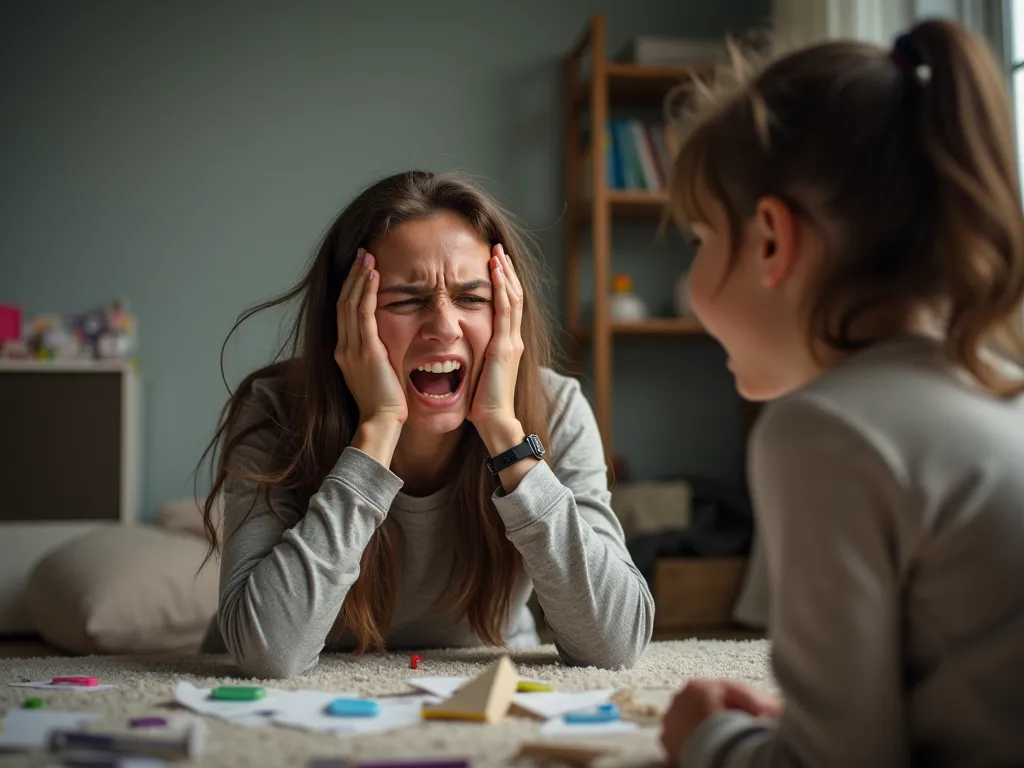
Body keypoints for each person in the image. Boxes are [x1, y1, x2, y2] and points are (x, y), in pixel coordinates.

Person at [659, 19, 1024, 768]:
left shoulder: (825, 430)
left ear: (770, 240)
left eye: (699, 239)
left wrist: (707, 738)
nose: (691, 276)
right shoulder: (1000, 390)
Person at [196, 170, 654, 678]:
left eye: (472, 298)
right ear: (348, 318)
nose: (443, 326)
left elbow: (617, 645)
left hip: (483, 678)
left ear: (508, 312)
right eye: (406, 300)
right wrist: (378, 429)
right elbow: (268, 652)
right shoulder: (274, 410)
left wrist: (504, 432)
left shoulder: (559, 408)